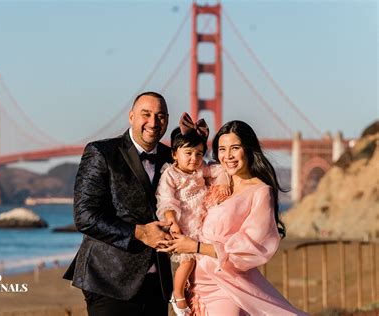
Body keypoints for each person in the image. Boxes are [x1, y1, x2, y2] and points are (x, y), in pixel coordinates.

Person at [157, 120, 308, 315]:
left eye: (235, 148)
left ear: (248, 149)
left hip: (226, 286)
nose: (227, 156)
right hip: (195, 286)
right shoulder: (212, 181)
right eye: (221, 149)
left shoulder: (260, 191)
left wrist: (194, 247)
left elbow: (252, 245)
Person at [63, 91, 174, 316]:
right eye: (146, 114)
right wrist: (139, 232)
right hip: (108, 281)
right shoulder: (101, 152)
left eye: (160, 116)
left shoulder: (173, 157)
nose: (153, 122)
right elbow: (84, 216)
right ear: (131, 116)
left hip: (158, 284)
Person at [155, 113, 231, 316]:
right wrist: (172, 222)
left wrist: (223, 180)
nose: (194, 159)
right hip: (183, 223)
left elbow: (218, 169)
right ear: (174, 154)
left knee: (199, 262)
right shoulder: (170, 174)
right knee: (188, 260)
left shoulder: (201, 169)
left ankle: (191, 292)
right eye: (188, 153)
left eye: (199, 154)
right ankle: (177, 295)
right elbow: (166, 200)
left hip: (201, 220)